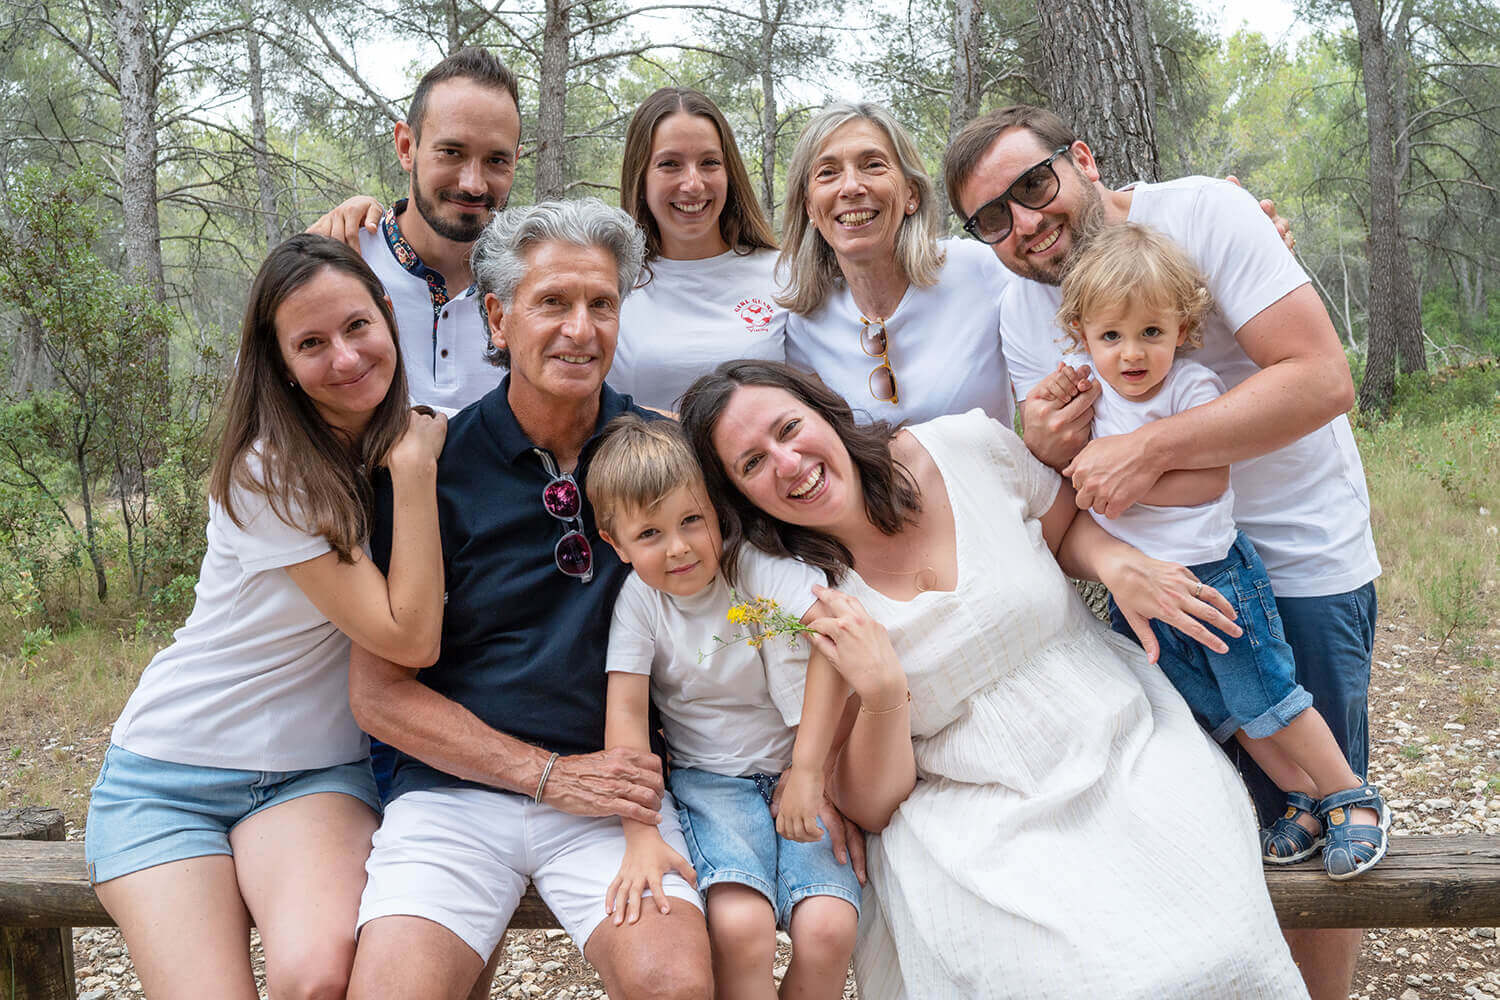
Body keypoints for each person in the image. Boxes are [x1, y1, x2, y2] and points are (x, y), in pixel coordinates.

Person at [679, 359, 1308, 999]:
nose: (787, 464)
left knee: (1212, 954)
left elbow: (1063, 527)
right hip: (969, 808)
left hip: (1119, 740)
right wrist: (884, 697)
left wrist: (1117, 562)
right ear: (737, 495)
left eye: (789, 428)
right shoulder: (794, 597)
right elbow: (867, 803)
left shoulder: (961, 445)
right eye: (751, 464)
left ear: (825, 411)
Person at [944, 104, 1382, 1000]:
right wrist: (1084, 508)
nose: (1025, 222)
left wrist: (1154, 448)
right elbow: (1068, 491)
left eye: (1033, 184)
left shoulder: (1207, 215)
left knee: (1320, 791)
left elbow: (1322, 378)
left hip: (1300, 562)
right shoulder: (1028, 312)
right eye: (993, 217)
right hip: (1154, 586)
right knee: (1215, 820)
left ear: (1083, 159)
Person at [343, 199, 715, 1000]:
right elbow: (379, 697)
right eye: (553, 302)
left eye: (602, 304)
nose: (581, 328)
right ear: (498, 316)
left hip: (615, 797)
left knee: (675, 987)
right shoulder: (428, 466)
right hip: (453, 795)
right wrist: (546, 775)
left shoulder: (664, 457)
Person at [84, 234, 447, 999]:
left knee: (317, 979)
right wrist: (413, 472)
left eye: (356, 327)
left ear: (388, 313)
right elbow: (406, 636)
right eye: (311, 344)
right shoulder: (268, 470)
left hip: (313, 774)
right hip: (168, 774)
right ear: (280, 362)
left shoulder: (416, 426)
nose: (345, 358)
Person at [1040, 221, 1388, 879]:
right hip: (1141, 593)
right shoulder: (1092, 392)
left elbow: (1209, 479)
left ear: (1182, 328)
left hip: (1213, 577)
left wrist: (1123, 490)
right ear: (1081, 334)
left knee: (1267, 694)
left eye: (1151, 332)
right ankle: (1304, 799)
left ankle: (1351, 795)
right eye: (1111, 336)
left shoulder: (1191, 389)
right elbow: (1061, 465)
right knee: (1226, 711)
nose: (1132, 353)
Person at [589, 414, 860, 1000]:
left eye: (692, 520)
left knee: (830, 928)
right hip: (712, 784)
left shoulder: (750, 567)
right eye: (650, 534)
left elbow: (834, 640)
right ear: (615, 543)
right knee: (741, 927)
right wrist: (639, 833)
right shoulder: (640, 604)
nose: (680, 547)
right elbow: (627, 718)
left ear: (716, 509)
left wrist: (812, 771)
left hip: (799, 773)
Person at [308, 46, 522, 410]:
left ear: (515, 161)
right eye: (451, 152)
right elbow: (267, 412)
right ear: (406, 147)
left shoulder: (532, 283)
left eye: (496, 160)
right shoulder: (339, 262)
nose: (473, 184)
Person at [778, 101, 1017, 425]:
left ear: (911, 194)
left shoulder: (980, 270)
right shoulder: (805, 324)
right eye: (828, 173)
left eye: (873, 165)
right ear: (809, 208)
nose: (850, 187)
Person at [611, 88, 787, 412]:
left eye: (709, 163)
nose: (693, 184)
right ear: (641, 179)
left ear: (729, 172)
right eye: (670, 164)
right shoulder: (612, 285)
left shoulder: (783, 274)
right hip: (645, 462)